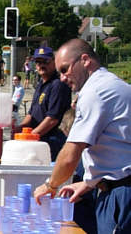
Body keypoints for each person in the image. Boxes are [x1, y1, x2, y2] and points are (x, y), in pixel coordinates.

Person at [34, 39, 131, 234]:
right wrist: (89, 184)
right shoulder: (110, 83)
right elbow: (117, 149)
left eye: (65, 69)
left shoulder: (95, 92)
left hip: (120, 193)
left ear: (85, 60)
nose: (62, 78)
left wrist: (50, 185)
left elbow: (71, 153)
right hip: (115, 188)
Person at [15, 47, 71, 161]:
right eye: (38, 62)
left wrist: (30, 136)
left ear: (54, 62)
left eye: (45, 61)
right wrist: (19, 128)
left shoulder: (58, 85)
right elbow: (31, 114)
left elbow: (52, 119)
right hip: (39, 140)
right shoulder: (41, 84)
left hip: (52, 141)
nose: (41, 65)